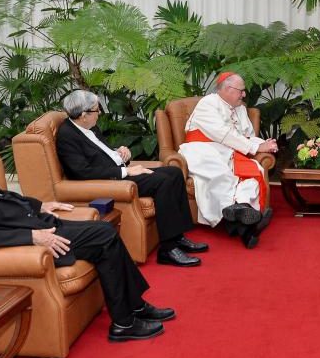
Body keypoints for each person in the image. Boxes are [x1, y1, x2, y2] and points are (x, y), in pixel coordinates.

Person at [0, 116, 171, 342]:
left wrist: (40, 205)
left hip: (35, 223)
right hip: (29, 238)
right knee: (104, 235)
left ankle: (134, 307)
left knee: (102, 232)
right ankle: (125, 323)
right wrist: (31, 237)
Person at [56, 90, 207, 268]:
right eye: (97, 110)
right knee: (163, 182)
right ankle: (168, 249)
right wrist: (126, 172)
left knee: (173, 173)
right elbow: (82, 172)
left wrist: (120, 154)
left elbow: (100, 153)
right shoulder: (67, 135)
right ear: (83, 115)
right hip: (110, 182)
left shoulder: (88, 126)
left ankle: (178, 237)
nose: (100, 114)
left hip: (119, 171)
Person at [178, 72, 277, 249]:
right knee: (221, 174)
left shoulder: (240, 108)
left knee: (254, 173)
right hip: (202, 151)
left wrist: (264, 144)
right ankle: (246, 224)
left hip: (228, 152)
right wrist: (255, 148)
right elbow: (223, 134)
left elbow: (245, 136)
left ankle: (242, 213)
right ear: (228, 89)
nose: (244, 94)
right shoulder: (208, 103)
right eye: (241, 91)